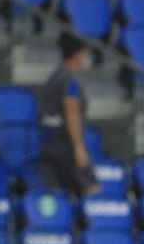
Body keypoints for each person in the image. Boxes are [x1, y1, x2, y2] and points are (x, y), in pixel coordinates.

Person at [39, 33, 101, 197]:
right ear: (77, 55)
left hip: (49, 144)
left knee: (58, 196)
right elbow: (71, 111)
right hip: (66, 145)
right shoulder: (70, 82)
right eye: (85, 54)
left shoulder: (53, 78)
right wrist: (79, 148)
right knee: (93, 193)